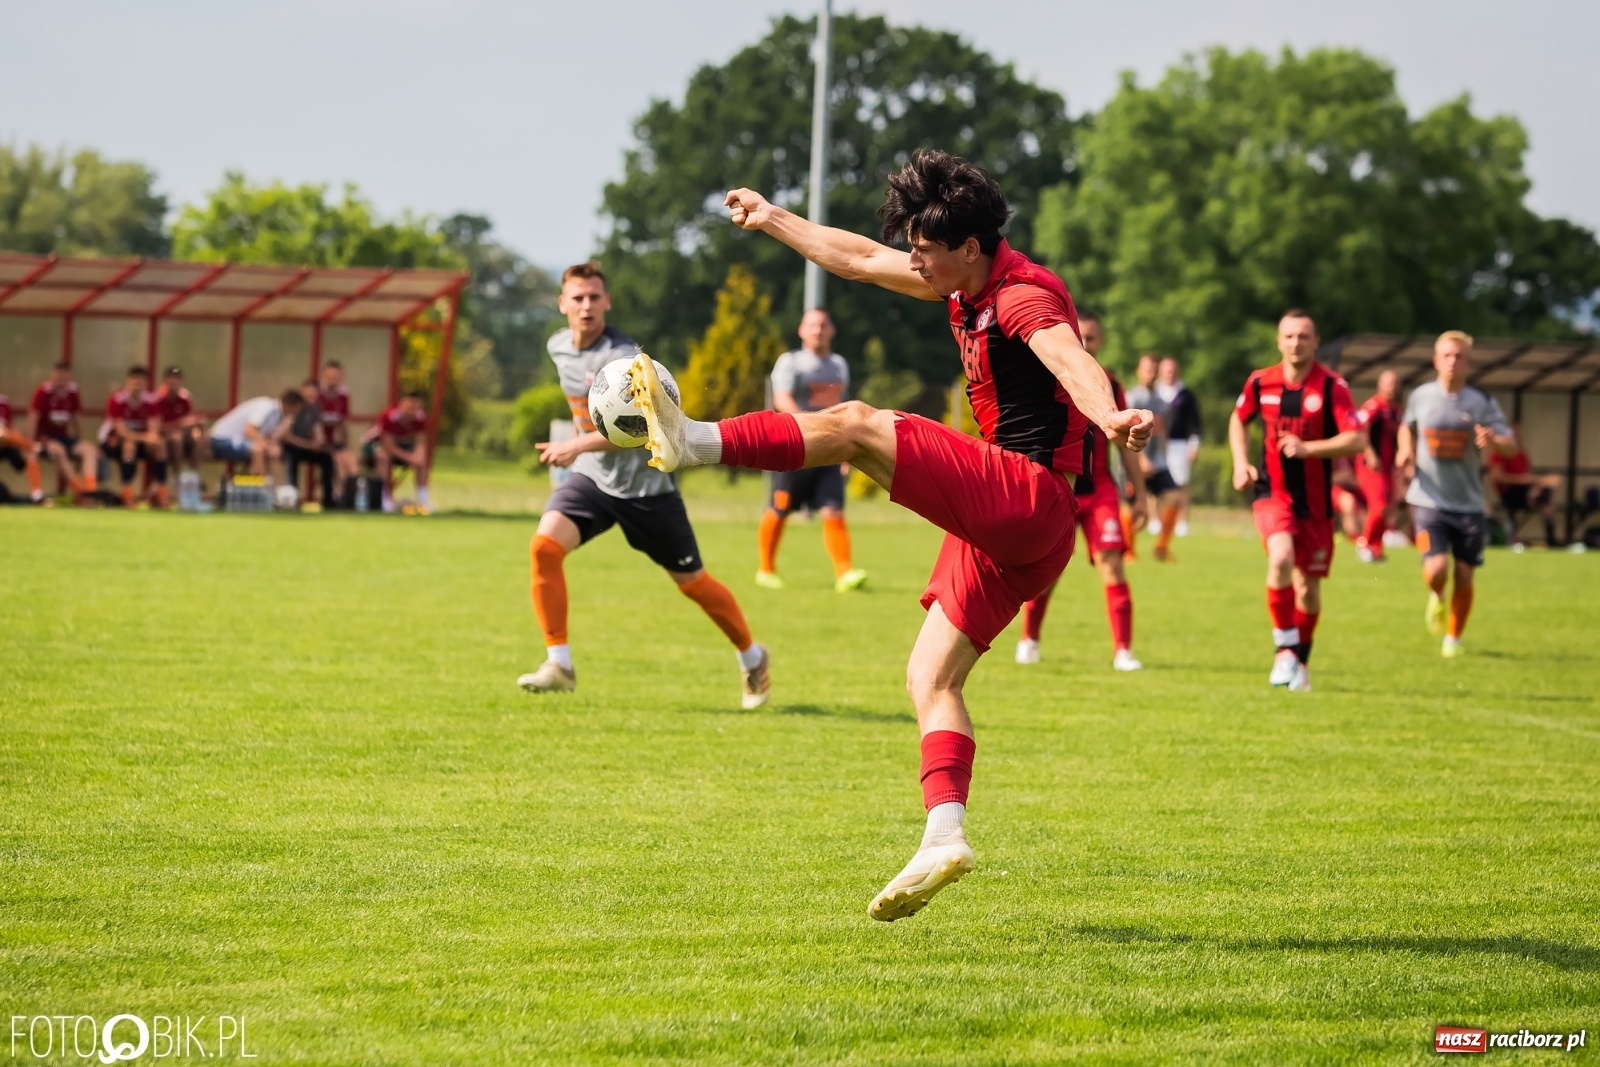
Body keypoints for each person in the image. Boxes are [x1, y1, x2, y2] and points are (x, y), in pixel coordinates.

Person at [626, 149, 1153, 921]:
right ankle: (945, 833)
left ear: (968, 248)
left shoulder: (1020, 297)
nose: (913, 259)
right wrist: (773, 217)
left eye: (925, 249)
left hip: (1028, 495)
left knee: (858, 425)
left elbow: (1070, 358)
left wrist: (1109, 414)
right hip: (1025, 534)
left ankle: (693, 441)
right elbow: (861, 259)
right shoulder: (963, 276)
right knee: (929, 678)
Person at [518, 261, 771, 708]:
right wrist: (582, 451)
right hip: (593, 482)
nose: (586, 305)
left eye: (595, 297)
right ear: (562, 304)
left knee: (693, 582)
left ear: (607, 302)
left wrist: (577, 445)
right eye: (577, 298)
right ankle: (559, 663)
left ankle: (752, 657)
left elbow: (639, 431)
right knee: (543, 548)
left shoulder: (623, 361)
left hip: (647, 493)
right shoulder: (559, 347)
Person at [1229, 310, 1367, 692]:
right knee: (1281, 559)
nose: (1295, 343)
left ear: (1316, 341)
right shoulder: (1261, 381)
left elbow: (1357, 439)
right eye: (1289, 336)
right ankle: (1285, 649)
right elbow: (1238, 419)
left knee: (1308, 588)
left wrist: (1309, 449)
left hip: (1318, 504)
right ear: (1278, 341)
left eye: (1303, 336)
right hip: (1274, 493)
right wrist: (1241, 463)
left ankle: (1300, 660)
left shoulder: (1331, 387)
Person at [1016, 311, 1148, 671]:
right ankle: (1029, 639)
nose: (1085, 344)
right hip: (1061, 488)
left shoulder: (1112, 385)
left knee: (1113, 565)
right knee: (1049, 572)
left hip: (1100, 489)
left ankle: (1123, 651)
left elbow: (1126, 444)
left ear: (1100, 342)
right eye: (1080, 337)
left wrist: (1140, 495)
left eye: (1091, 338)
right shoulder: (1049, 378)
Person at [1394, 331, 1517, 656]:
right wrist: (1404, 450)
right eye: (1446, 356)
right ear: (1436, 360)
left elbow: (1511, 446)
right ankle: (1436, 596)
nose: (1452, 362)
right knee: (1436, 571)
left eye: (1459, 356)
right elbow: (1406, 426)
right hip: (1427, 499)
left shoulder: (1481, 402)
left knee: (1464, 573)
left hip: (1468, 504)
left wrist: (1492, 440)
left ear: (1468, 362)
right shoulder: (1421, 396)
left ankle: (1453, 638)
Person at [755, 308, 868, 592]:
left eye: (823, 325)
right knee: (780, 508)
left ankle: (845, 573)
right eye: (812, 325)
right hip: (795, 446)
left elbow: (840, 407)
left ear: (832, 330)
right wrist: (812, 426)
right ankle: (765, 570)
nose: (818, 330)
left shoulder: (839, 364)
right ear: (801, 331)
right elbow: (782, 400)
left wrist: (845, 448)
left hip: (830, 449)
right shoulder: (791, 362)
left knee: (834, 510)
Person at [1125, 354, 1179, 561]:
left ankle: (1162, 547)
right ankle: (1129, 551)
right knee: (1131, 506)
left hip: (1157, 463)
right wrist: (1140, 459)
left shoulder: (1162, 402)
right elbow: (1126, 432)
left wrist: (1163, 457)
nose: (1150, 373)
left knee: (1174, 497)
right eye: (1146, 369)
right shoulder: (1132, 398)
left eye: (1154, 369)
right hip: (1136, 461)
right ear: (1138, 371)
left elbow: (1162, 431)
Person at [26, 363, 99, 499]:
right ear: (52, 376)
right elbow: (33, 417)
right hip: (45, 437)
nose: (61, 382)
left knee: (89, 449)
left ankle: (90, 489)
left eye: (65, 379)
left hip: (64, 437)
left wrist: (80, 438)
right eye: (58, 378)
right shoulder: (42, 392)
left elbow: (76, 418)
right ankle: (79, 491)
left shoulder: (72, 392)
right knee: (59, 450)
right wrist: (30, 442)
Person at [100, 365, 168, 507]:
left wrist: (152, 439)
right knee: (129, 446)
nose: (137, 385)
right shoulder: (117, 400)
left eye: (140, 382)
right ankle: (128, 493)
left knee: (159, 445)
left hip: (140, 442)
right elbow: (121, 431)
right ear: (127, 382)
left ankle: (161, 492)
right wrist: (145, 438)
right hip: (113, 442)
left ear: (146, 383)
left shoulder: (151, 400)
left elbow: (153, 429)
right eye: (134, 381)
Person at [1354, 369, 1402, 562]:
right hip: (1370, 467)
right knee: (1379, 506)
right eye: (1388, 384)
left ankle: (1376, 547)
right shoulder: (1373, 406)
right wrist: (1370, 453)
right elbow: (1359, 428)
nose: (1392, 388)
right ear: (1380, 385)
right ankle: (1364, 543)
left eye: (1395, 384)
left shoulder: (1398, 410)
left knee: (1387, 509)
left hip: (1388, 469)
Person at [1489, 425, 1559, 547]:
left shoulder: (1521, 454)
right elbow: (1498, 477)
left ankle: (1551, 539)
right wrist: (1527, 480)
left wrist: (1538, 485)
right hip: (1509, 493)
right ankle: (1511, 536)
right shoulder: (1497, 454)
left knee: (1545, 495)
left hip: (1525, 491)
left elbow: (1528, 477)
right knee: (1542, 496)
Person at [362, 391, 431, 513]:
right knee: (383, 457)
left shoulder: (420, 417)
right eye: (410, 408)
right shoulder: (389, 416)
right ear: (401, 404)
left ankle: (423, 500)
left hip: (400, 446)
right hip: (374, 444)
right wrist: (410, 458)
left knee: (423, 460)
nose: (413, 412)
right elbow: (388, 446)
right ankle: (385, 499)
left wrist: (419, 456)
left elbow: (420, 441)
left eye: (416, 408)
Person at [1157, 356, 1202, 537]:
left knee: (1180, 483)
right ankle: (1157, 521)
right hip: (1156, 444)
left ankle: (1182, 522)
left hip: (1179, 444)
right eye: (1166, 370)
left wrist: (1194, 444)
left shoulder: (1186, 394)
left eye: (1172, 369)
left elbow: (1196, 422)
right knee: (1156, 484)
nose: (1170, 373)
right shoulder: (1155, 393)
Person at [209, 391, 299, 479]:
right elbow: (249, 430)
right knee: (258, 450)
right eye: (296, 410)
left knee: (273, 451)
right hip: (221, 440)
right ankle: (260, 488)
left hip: (239, 441)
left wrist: (286, 424)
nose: (297, 413)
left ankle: (271, 485)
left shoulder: (279, 416)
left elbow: (272, 438)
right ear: (290, 406)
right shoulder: (267, 407)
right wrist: (267, 445)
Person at [277, 379, 336, 507]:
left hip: (304, 446)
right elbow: (285, 437)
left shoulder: (314, 410)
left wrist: (319, 442)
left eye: (314, 395)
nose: (311, 398)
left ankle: (328, 500)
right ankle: (293, 497)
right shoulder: (292, 408)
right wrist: (307, 444)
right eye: (308, 395)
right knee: (292, 455)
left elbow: (318, 431)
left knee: (326, 458)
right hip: (290, 447)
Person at [317, 361, 359, 505]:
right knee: (338, 461)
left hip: (335, 442)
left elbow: (343, 423)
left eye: (337, 377)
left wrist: (344, 444)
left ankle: (352, 496)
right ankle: (341, 497)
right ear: (324, 376)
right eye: (330, 377)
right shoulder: (317, 395)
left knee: (351, 459)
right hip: (317, 443)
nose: (333, 380)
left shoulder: (343, 396)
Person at [156, 366, 203, 480]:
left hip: (183, 434)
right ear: (165, 381)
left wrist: (196, 429)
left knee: (200, 437)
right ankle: (177, 476)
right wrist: (180, 423)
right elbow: (157, 427)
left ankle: (193, 476)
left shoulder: (185, 397)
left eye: (177, 378)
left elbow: (192, 418)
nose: (174, 382)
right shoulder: (157, 398)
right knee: (176, 439)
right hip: (164, 436)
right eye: (171, 378)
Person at [0, 384, 45, 503]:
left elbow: (9, 427)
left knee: (29, 454)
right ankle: (35, 446)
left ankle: (37, 496)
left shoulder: (3, 401)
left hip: (5, 444)